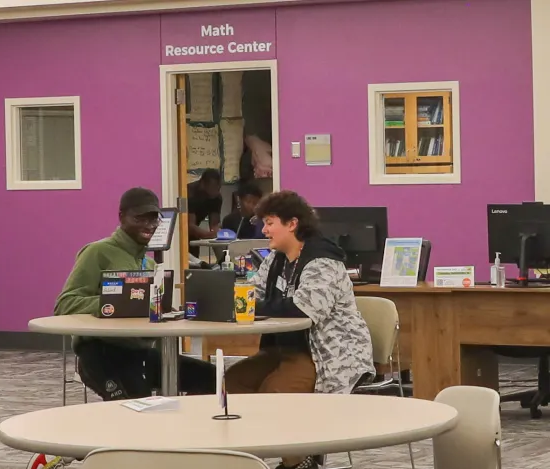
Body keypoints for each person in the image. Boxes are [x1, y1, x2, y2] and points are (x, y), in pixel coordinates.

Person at [224, 190, 375, 469]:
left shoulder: (323, 261)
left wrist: (255, 306)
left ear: (292, 224)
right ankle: (244, 458)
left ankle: (298, 462)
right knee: (233, 382)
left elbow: (307, 308)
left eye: (270, 223)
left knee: (276, 394)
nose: (264, 230)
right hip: (286, 348)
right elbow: (252, 294)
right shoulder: (275, 259)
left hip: (327, 354)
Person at [54, 187, 216, 400]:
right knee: (133, 409)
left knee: (214, 377)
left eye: (153, 219)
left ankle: (182, 426)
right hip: (101, 353)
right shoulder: (97, 252)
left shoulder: (149, 263)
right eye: (140, 218)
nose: (149, 225)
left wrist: (170, 312)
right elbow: (64, 305)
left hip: (138, 353)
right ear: (122, 217)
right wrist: (115, 303)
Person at [187, 168, 223, 256]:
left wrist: (216, 232)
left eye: (218, 188)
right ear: (203, 184)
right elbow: (189, 226)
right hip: (182, 231)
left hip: (195, 233)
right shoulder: (190, 193)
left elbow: (214, 224)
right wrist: (209, 235)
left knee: (196, 260)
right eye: (213, 187)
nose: (217, 191)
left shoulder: (217, 198)